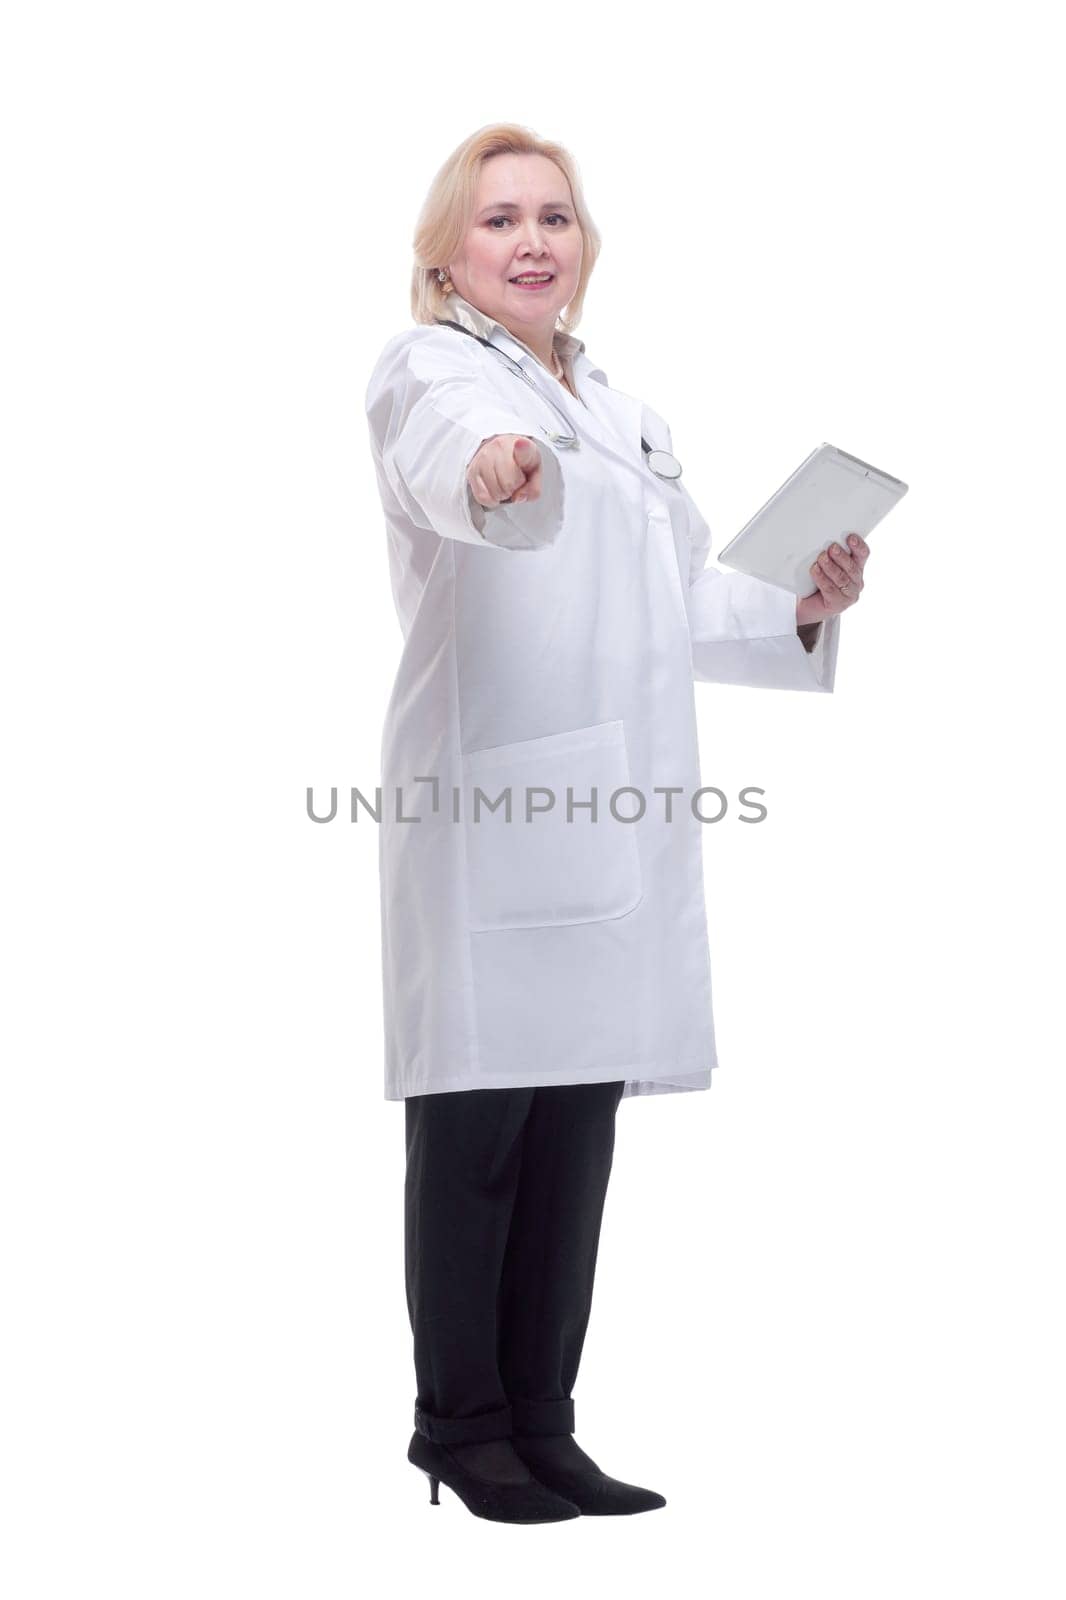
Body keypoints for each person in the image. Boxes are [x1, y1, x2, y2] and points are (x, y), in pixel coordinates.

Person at [363, 124, 869, 1524]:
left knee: (575, 1128)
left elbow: (684, 599)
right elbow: (452, 467)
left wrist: (802, 603)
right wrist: (496, 477)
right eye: (498, 219)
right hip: (493, 803)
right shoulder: (432, 374)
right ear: (444, 252)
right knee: (478, 1135)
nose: (532, 240)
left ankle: (544, 1420)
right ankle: (457, 1429)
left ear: (584, 247)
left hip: (611, 807)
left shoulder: (621, 409)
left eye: (555, 217)